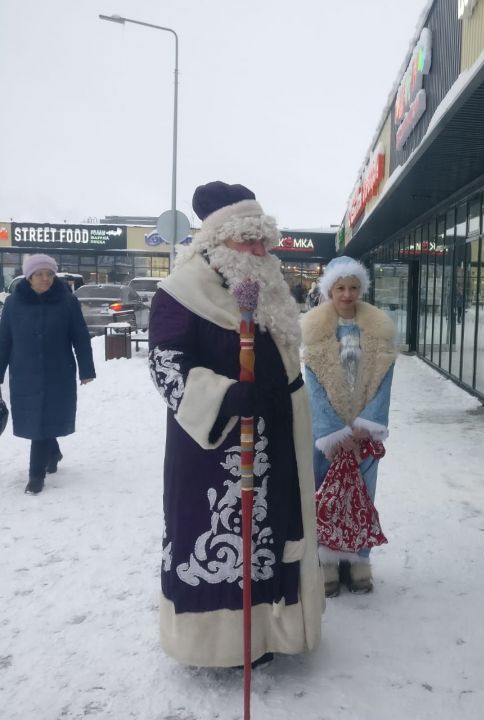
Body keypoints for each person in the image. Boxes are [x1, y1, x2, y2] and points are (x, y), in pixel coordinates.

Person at [148, 181, 323, 668]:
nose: (258, 250)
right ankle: (220, 643)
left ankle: (269, 632)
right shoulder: (181, 292)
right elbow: (166, 365)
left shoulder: (268, 289)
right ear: (217, 242)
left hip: (279, 437)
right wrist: (225, 397)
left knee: (275, 530)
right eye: (248, 240)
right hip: (216, 450)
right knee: (224, 537)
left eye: (262, 240)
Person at [301, 256, 396, 596]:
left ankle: (358, 562)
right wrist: (336, 433)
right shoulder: (315, 333)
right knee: (327, 495)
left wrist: (363, 428)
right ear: (328, 290)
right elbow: (313, 385)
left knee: (362, 495)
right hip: (327, 436)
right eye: (340, 287)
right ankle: (326, 564)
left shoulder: (378, 331)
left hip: (364, 434)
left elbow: (383, 380)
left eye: (354, 287)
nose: (347, 294)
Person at [0, 253, 95, 495]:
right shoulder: (13, 303)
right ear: (29, 277)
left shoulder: (67, 301)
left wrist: (86, 369)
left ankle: (35, 476)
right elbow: (4, 341)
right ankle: (52, 452)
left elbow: (80, 337)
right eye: (39, 274)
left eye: (50, 274)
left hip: (58, 372)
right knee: (37, 418)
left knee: (43, 416)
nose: (45, 279)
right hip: (24, 373)